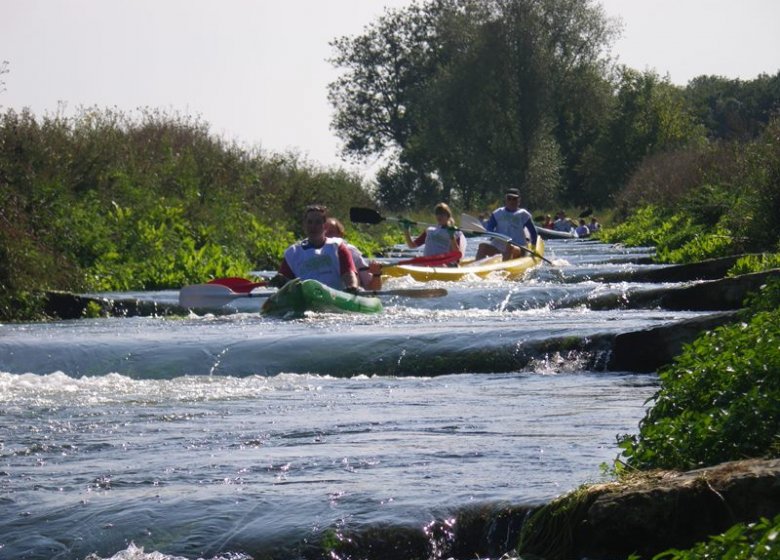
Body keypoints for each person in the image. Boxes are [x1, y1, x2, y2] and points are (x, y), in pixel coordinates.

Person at [270, 205, 360, 292]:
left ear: (325, 226)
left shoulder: (337, 247)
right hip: (305, 299)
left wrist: (352, 287)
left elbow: (349, 275)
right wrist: (280, 280)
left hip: (334, 298)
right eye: (310, 222)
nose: (313, 226)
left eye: (318, 222)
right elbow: (284, 284)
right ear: (304, 225)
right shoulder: (292, 253)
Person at [474, 188, 538, 261]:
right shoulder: (497, 213)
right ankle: (477, 268)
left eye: (514, 199)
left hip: (519, 248)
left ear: (519, 200)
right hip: (499, 247)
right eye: (509, 198)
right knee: (482, 246)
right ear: (506, 199)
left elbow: (533, 232)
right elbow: (489, 229)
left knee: (509, 247)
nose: (511, 201)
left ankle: (503, 270)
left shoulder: (524, 214)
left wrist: (533, 248)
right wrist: (491, 235)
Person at [324, 217, 382, 291]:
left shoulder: (351, 252)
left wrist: (376, 274)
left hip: (348, 295)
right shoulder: (311, 252)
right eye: (324, 232)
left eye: (331, 232)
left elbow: (372, 288)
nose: (326, 236)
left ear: (340, 235)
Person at [401, 202, 467, 262]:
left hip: (445, 263)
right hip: (428, 262)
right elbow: (411, 245)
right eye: (437, 213)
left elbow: (458, 255)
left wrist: (452, 237)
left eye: (442, 213)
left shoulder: (455, 232)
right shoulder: (430, 231)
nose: (439, 216)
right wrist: (406, 229)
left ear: (448, 216)